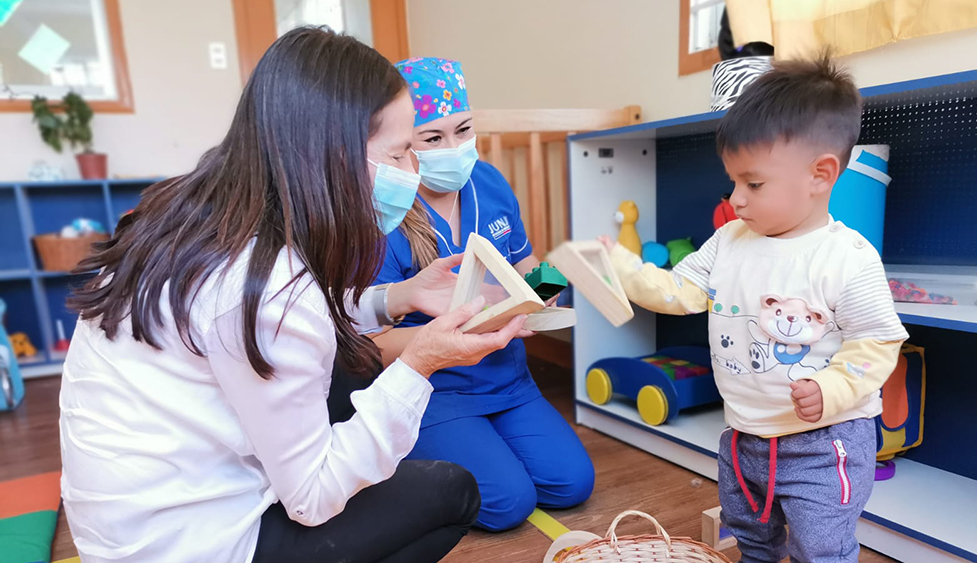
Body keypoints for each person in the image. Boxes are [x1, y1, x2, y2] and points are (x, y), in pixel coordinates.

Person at [59, 28, 527, 563]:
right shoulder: (267, 288)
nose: (411, 173)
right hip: (193, 545)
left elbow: (297, 321)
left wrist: (396, 297)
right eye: (399, 155)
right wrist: (419, 364)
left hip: (125, 521)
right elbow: (312, 498)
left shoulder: (192, 212)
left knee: (348, 367)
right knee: (453, 492)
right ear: (331, 156)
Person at [602, 54, 908, 563]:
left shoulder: (847, 258)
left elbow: (878, 341)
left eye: (753, 183)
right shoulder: (729, 240)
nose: (737, 199)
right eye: (733, 182)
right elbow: (681, 291)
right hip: (744, 434)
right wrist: (622, 268)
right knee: (750, 532)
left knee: (821, 546)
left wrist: (833, 387)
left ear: (821, 174)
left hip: (823, 441)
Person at [369, 57, 594, 532]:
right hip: (435, 389)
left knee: (572, 484)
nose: (453, 148)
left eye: (464, 130)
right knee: (506, 503)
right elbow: (372, 343)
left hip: (507, 378)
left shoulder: (488, 182)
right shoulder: (387, 211)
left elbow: (528, 270)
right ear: (400, 143)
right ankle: (414, 450)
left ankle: (484, 440)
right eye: (432, 139)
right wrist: (443, 342)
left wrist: (559, 278)